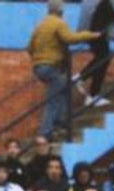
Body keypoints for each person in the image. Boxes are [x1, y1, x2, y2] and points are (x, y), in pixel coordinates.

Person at [28, 0, 100, 137]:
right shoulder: (58, 23)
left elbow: (30, 47)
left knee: (64, 89)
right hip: (52, 66)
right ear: (61, 10)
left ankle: (62, 120)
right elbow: (70, 38)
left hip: (39, 67)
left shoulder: (40, 25)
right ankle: (46, 132)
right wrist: (90, 35)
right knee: (53, 100)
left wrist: (38, 59)